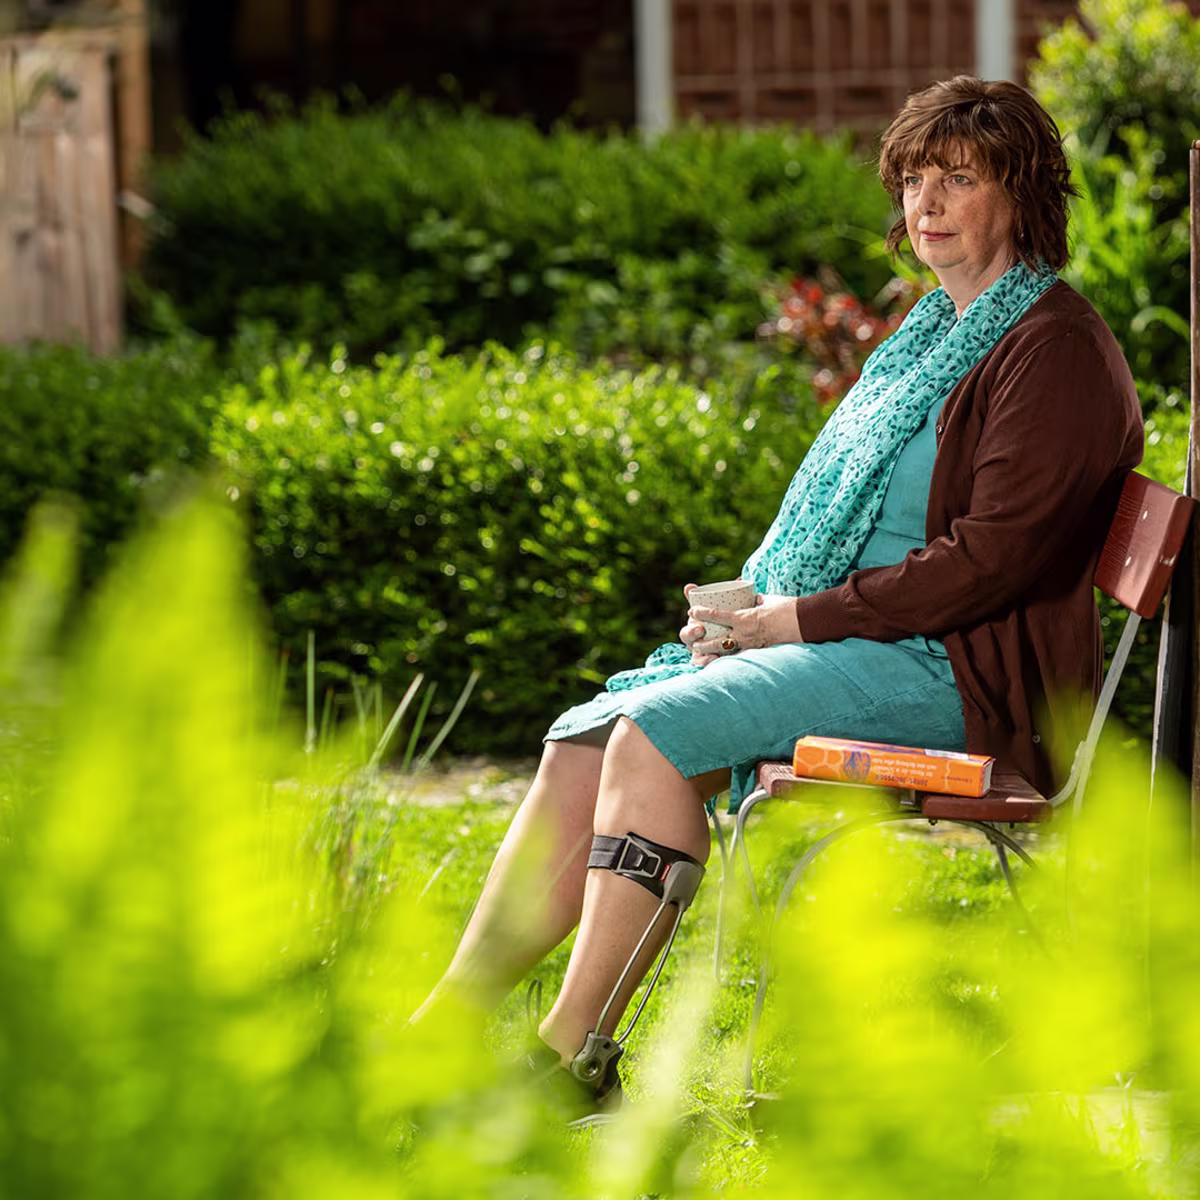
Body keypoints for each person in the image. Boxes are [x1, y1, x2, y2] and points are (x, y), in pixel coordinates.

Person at [411, 76, 1144, 1120]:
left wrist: (788, 621)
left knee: (653, 734)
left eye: (957, 179)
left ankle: (569, 1063)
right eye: (912, 180)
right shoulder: (940, 330)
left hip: (960, 675)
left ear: (1021, 195)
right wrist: (759, 603)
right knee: (589, 736)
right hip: (877, 643)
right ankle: (436, 1029)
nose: (924, 203)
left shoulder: (1053, 349)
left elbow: (991, 562)